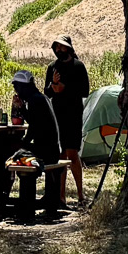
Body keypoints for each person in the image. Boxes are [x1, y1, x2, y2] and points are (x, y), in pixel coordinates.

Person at [45, 35, 91, 205]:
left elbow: (84, 91)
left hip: (73, 115)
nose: (59, 50)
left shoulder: (78, 66)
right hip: (57, 116)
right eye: (56, 47)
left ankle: (80, 195)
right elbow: (47, 92)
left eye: (62, 47)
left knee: (72, 154)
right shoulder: (52, 67)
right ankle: (61, 196)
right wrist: (53, 86)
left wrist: (65, 88)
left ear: (68, 48)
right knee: (60, 155)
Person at [10, 69, 63, 166]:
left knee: (11, 147)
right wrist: (22, 107)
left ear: (22, 87)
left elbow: (33, 128)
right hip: (53, 151)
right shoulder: (40, 97)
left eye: (16, 88)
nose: (16, 91)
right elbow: (34, 120)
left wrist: (23, 144)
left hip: (46, 153)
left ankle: (22, 179)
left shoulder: (34, 100)